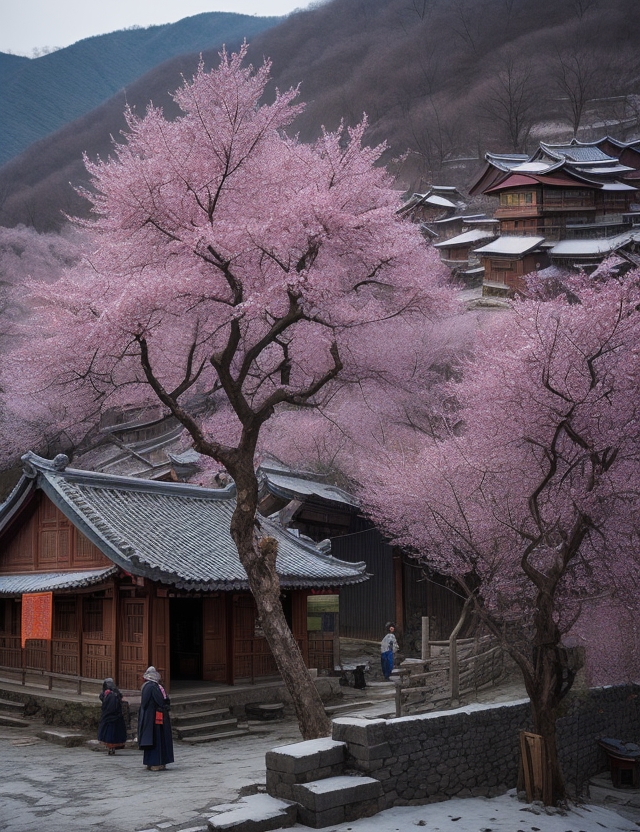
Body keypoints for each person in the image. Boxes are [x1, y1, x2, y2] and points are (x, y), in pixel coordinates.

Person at [137, 666, 174, 771]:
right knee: (158, 738)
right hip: (156, 717)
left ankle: (150, 762)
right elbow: (161, 701)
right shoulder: (154, 687)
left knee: (150, 739)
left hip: (147, 716)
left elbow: (144, 704)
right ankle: (157, 762)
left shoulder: (145, 686)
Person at [98, 678, 128, 755]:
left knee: (110, 733)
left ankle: (111, 747)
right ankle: (112, 747)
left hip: (110, 716)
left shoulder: (110, 694)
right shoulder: (114, 693)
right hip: (115, 716)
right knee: (113, 733)